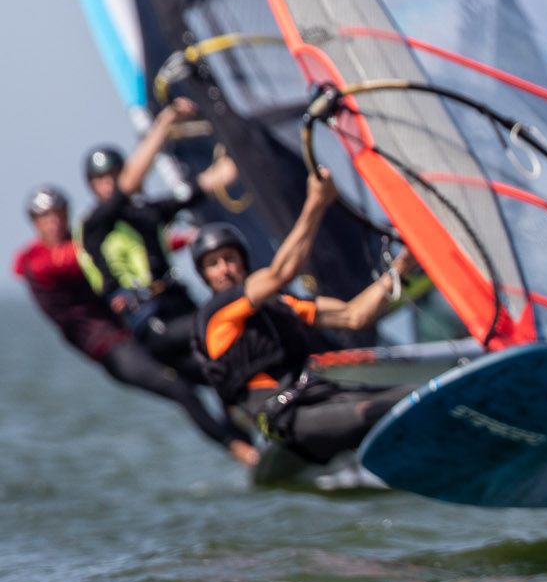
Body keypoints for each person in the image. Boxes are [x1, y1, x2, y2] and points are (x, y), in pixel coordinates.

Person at [13, 186, 257, 466]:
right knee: (180, 390)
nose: (54, 222)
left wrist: (180, 240)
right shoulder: (39, 262)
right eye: (45, 217)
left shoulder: (79, 243)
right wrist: (119, 217)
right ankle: (243, 452)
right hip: (111, 349)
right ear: (34, 223)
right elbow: (85, 255)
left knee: (215, 373)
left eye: (59, 214)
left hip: (134, 337)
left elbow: (120, 248)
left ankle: (254, 439)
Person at [193, 168, 415, 464]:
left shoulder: (282, 304)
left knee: (416, 396)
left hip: (322, 396)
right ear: (204, 275)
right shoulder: (216, 316)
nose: (224, 269)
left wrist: (401, 268)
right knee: (379, 411)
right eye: (213, 264)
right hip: (287, 418)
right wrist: (316, 202)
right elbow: (283, 272)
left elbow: (354, 315)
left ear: (242, 262)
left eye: (229, 259)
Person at [77, 98, 238, 366]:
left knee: (230, 362)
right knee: (220, 329)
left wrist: (244, 144)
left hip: (180, 304)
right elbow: (127, 186)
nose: (109, 184)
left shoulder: (147, 212)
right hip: (151, 322)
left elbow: (207, 183)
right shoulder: (94, 225)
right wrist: (165, 122)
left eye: (114, 175)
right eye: (100, 180)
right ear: (91, 186)